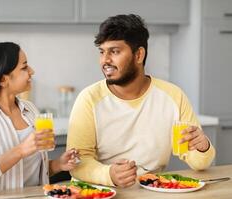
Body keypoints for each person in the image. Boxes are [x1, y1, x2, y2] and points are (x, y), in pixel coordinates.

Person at [66, 14, 215, 188]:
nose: (105, 60)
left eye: (114, 51)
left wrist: (203, 146)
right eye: (102, 52)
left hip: (150, 191)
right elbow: (77, 162)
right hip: (97, 193)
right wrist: (109, 175)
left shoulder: (173, 96)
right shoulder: (89, 99)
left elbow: (199, 162)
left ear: (139, 55)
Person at [0, 42, 79, 194]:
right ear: (2, 80)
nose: (32, 71)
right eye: (24, 67)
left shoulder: (30, 110)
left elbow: (27, 171)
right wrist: (20, 150)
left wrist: (58, 165)